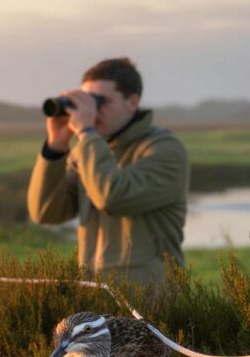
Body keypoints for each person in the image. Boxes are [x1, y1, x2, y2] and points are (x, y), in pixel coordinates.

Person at [27, 57, 189, 286]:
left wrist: (86, 132)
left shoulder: (165, 150)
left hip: (153, 301)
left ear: (132, 102)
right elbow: (45, 212)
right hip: (99, 297)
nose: (92, 111)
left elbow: (112, 196)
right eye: (87, 101)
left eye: (100, 101)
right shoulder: (89, 151)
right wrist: (55, 146)